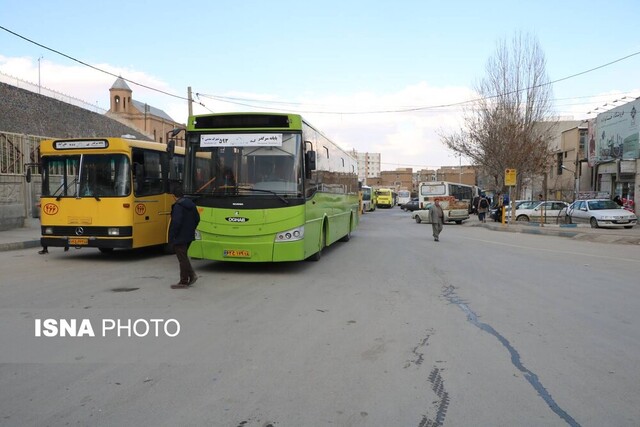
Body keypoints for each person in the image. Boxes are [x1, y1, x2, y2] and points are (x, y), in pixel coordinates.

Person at [169, 188, 200, 289]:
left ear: (174, 196)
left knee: (182, 259)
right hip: (189, 235)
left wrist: (172, 236)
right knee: (184, 257)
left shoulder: (178, 206)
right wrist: (191, 229)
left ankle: (184, 281)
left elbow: (176, 223)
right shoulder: (191, 204)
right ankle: (192, 275)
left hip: (180, 236)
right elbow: (197, 219)